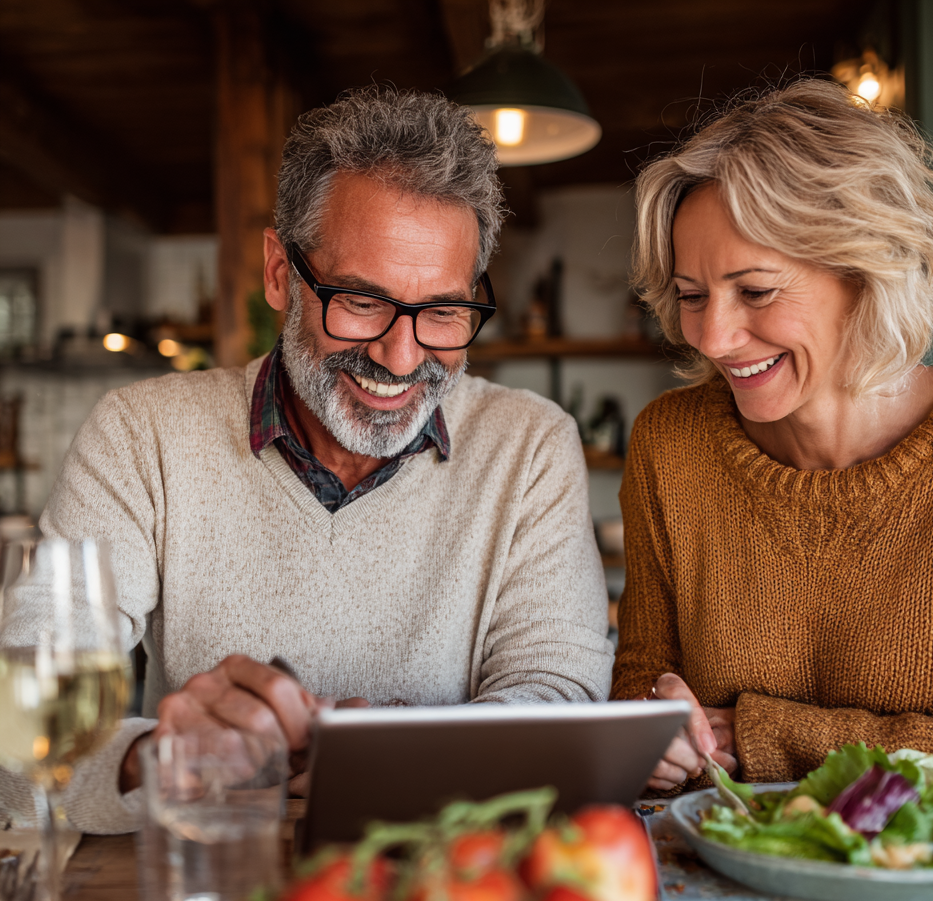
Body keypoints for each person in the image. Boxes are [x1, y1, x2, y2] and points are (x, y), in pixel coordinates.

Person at [1, 88, 612, 834]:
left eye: (444, 312)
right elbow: (29, 701)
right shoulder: (141, 435)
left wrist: (399, 760)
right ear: (280, 274)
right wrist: (162, 758)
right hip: (208, 876)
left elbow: (561, 692)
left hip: (446, 890)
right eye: (359, 301)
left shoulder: (530, 446)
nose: (401, 355)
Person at [613, 79, 933, 807]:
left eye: (757, 292)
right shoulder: (668, 446)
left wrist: (756, 736)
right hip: (723, 881)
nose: (712, 337)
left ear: (865, 272)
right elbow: (642, 684)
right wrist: (654, 727)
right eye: (692, 294)